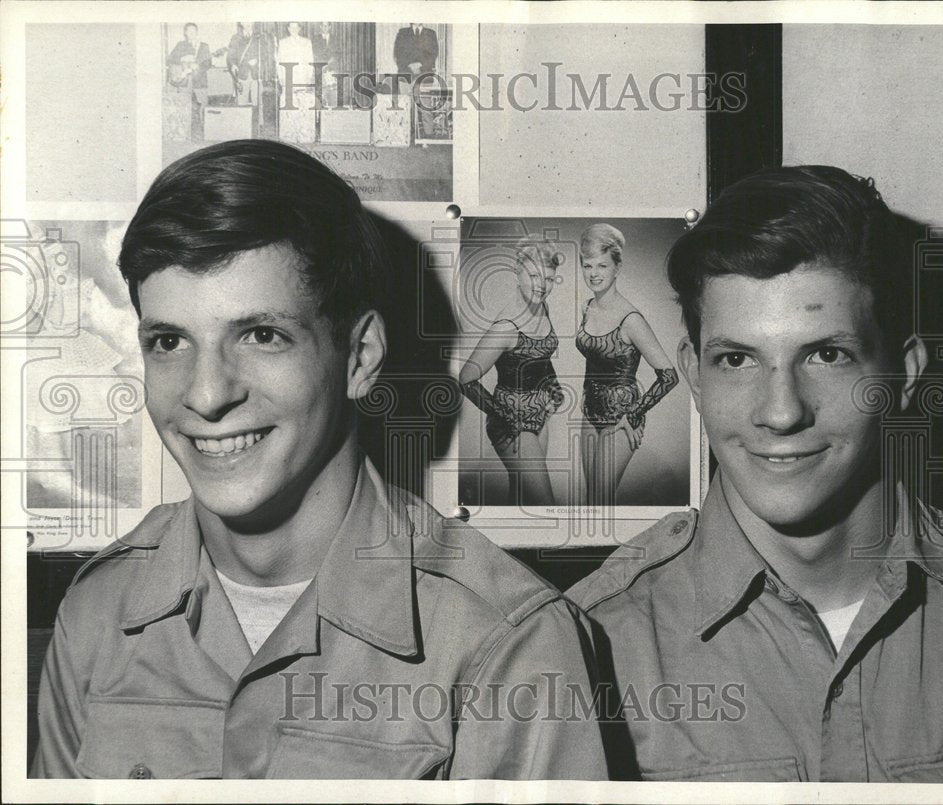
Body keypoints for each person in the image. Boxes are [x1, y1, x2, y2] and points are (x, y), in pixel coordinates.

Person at [30, 140, 607, 780]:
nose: (206, 394)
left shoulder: (507, 646)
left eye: (262, 336)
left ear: (359, 358)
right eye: (169, 342)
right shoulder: (99, 610)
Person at [568, 166, 943, 781]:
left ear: (903, 375)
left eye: (826, 355)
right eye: (737, 359)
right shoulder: (595, 644)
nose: (782, 411)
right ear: (694, 375)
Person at [575, 224, 679, 506]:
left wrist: (634, 414)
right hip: (589, 415)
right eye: (587, 266)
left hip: (620, 419)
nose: (594, 274)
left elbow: (669, 376)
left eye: (602, 266)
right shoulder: (586, 308)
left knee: (601, 500)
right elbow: (593, 361)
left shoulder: (630, 319)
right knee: (590, 501)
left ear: (617, 268)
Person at [459, 239, 565, 506]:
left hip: (539, 416)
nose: (542, 285)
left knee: (522, 500)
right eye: (533, 276)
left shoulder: (543, 307)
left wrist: (554, 389)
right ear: (517, 272)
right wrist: (505, 416)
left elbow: (541, 358)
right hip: (512, 424)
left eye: (549, 279)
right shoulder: (506, 327)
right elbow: (466, 379)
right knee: (546, 505)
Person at [166, 23, 213, 138]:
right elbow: (169, 59)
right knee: (184, 106)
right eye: (189, 31)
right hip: (185, 81)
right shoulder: (180, 45)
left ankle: (204, 134)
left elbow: (208, 63)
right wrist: (182, 58)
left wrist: (198, 67)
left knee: (203, 107)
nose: (191, 33)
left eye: (194, 31)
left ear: (197, 32)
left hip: (200, 81)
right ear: (185, 33)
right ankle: (184, 133)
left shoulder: (204, 46)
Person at [227, 22, 261, 107]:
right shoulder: (235, 38)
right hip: (242, 73)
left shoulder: (260, 36)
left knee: (257, 103)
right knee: (242, 103)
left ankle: (256, 120)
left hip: (257, 74)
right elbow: (231, 55)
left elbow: (265, 54)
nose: (248, 23)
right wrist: (233, 64)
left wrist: (257, 60)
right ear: (241, 23)